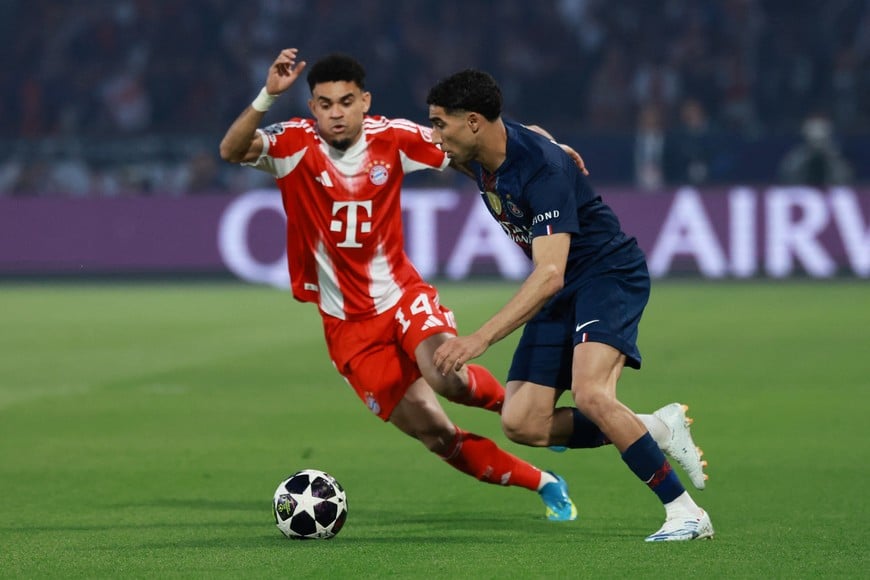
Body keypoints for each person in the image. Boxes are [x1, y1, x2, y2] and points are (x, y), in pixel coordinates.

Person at [219, 49, 579, 521]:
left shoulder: (393, 137)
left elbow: (472, 145)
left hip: (401, 296)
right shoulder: (292, 145)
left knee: (446, 377)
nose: (336, 113)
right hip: (347, 328)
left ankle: (525, 415)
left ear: (364, 102)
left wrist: (545, 149)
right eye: (325, 104)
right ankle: (545, 482)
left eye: (346, 101)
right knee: (437, 434)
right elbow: (231, 151)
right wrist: (268, 95)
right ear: (312, 108)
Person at [426, 69, 713, 541]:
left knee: (593, 395)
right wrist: (554, 140)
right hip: (561, 288)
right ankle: (655, 428)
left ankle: (685, 512)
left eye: (440, 124)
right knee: (521, 421)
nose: (435, 136)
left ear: (473, 122)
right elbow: (528, 130)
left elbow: (549, 274)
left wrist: (479, 339)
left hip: (605, 274)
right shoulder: (478, 150)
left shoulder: (544, 170)